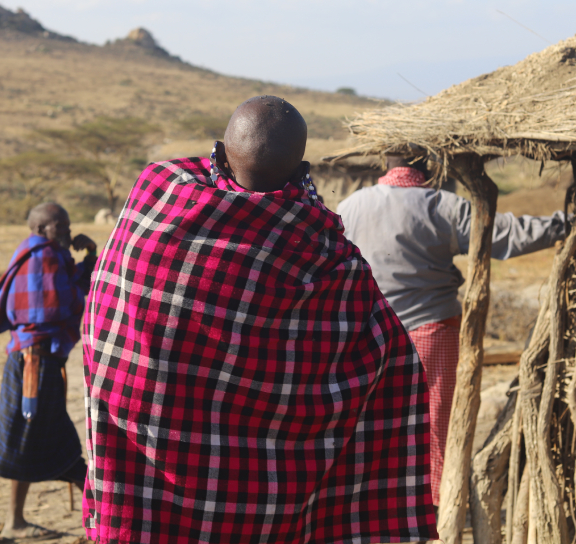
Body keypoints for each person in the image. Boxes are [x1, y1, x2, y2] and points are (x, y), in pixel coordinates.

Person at [82, 96, 437, 544]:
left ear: (222, 150)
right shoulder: (330, 262)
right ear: (301, 169)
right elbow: (392, 364)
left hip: (149, 487)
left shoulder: (158, 197)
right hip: (261, 504)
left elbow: (103, 324)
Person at [336, 156, 567, 506]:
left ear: (386, 163)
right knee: (434, 424)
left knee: (374, 422)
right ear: (431, 166)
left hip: (370, 335)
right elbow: (507, 237)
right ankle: (434, 508)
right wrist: (564, 224)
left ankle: (375, 507)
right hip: (432, 330)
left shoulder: (351, 206)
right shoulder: (443, 205)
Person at [0, 202, 98, 541]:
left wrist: (91, 253)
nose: (66, 231)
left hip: (30, 361)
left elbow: (69, 287)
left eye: (66, 224)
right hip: (34, 365)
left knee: (24, 437)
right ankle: (101, 526)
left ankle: (15, 521)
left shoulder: (44, 255)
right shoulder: (43, 258)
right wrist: (88, 272)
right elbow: (60, 305)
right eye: (59, 226)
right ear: (40, 230)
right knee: (60, 447)